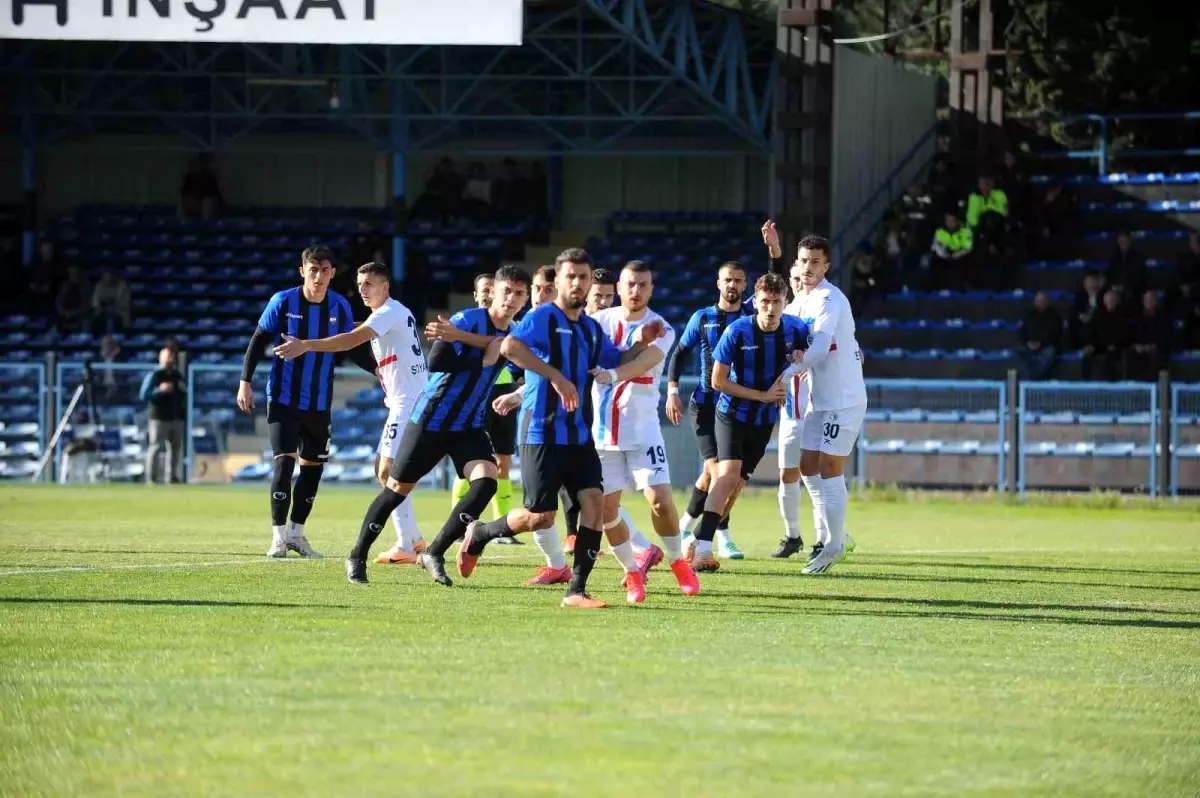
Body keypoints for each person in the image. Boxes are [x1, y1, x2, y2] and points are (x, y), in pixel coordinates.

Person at [458, 248, 662, 609]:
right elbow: (509, 346)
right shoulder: (542, 317)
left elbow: (615, 360)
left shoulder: (590, 328)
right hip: (542, 432)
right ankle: (481, 533)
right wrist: (556, 377)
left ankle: (577, 590)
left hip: (581, 434)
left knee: (594, 504)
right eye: (571, 277)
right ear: (559, 282)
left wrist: (641, 343)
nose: (578, 283)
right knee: (540, 516)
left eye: (584, 277)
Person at [339, 266, 531, 586]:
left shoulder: (515, 334)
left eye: (519, 294)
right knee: (396, 490)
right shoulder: (465, 320)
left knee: (487, 482)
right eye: (506, 291)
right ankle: (357, 555)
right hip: (432, 419)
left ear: (525, 300)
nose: (511, 299)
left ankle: (435, 551)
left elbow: (520, 357)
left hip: (468, 425)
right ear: (493, 292)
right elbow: (437, 362)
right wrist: (482, 359)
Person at [274, 262, 429, 565]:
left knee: (389, 473)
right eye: (360, 284)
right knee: (387, 472)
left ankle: (407, 543)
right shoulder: (396, 312)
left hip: (408, 403)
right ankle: (412, 538)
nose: (362, 289)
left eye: (369, 284)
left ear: (385, 287)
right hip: (410, 400)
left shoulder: (387, 313)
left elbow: (351, 339)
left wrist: (306, 344)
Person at [237, 246, 373, 560]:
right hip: (283, 398)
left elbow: (350, 346)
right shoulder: (283, 301)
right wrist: (245, 382)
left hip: (319, 403)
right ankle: (277, 537)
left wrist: (376, 369)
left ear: (332, 273)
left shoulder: (339, 305)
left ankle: (297, 534)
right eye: (313, 270)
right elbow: (258, 341)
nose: (319, 276)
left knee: (312, 469)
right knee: (284, 464)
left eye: (325, 270)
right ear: (302, 271)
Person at [588, 261, 700, 601]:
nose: (636, 291)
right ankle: (632, 572)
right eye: (630, 284)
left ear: (651, 289)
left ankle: (678, 562)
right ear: (619, 288)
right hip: (602, 432)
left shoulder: (662, 328)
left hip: (643, 428)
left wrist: (611, 374)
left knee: (660, 502)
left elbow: (642, 362)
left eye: (643, 285)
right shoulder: (597, 324)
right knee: (607, 511)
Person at [688, 272, 808, 571]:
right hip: (731, 413)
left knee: (737, 486)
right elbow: (717, 381)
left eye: (777, 302)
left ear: (785, 302)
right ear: (756, 303)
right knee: (726, 475)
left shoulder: (797, 330)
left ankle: (695, 538)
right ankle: (703, 550)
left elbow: (816, 355)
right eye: (765, 302)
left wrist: (802, 356)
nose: (770, 309)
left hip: (764, 419)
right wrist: (762, 395)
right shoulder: (738, 331)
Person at [788, 235, 867, 575]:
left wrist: (788, 370)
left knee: (830, 466)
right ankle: (839, 535)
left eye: (815, 262)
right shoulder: (798, 304)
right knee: (807, 466)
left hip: (844, 400)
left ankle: (833, 546)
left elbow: (819, 348)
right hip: (819, 400)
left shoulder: (829, 299)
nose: (808, 268)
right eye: (803, 261)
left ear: (826, 266)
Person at [666, 262, 752, 560]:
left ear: (745, 285)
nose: (732, 285)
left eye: (738, 281)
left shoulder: (751, 318)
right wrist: (672, 391)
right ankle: (719, 536)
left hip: (737, 410)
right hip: (704, 405)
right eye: (728, 279)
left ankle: (684, 528)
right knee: (721, 475)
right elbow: (679, 352)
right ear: (718, 283)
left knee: (712, 478)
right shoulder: (702, 317)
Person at [445, 273, 523, 545]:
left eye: (493, 288)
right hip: (479, 394)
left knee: (503, 461)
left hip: (507, 392)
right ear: (477, 295)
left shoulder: (511, 327)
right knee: (469, 465)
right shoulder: (470, 326)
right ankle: (457, 524)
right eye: (485, 290)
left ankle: (501, 527)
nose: (490, 294)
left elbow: (516, 358)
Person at [761, 221, 813, 560]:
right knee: (787, 472)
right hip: (790, 404)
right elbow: (772, 277)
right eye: (790, 278)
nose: (794, 283)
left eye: (798, 278)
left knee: (816, 471)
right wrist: (775, 252)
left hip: (815, 402)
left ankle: (831, 533)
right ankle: (793, 535)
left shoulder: (816, 310)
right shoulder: (782, 314)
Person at [139, 346, 187, 484]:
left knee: (175, 449)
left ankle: (171, 477)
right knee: (155, 447)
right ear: (161, 359)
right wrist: (160, 390)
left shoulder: (177, 375)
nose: (169, 360)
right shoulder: (155, 375)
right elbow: (144, 395)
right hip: (159, 417)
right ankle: (151, 477)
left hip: (176, 417)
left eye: (171, 357)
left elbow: (183, 393)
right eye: (167, 357)